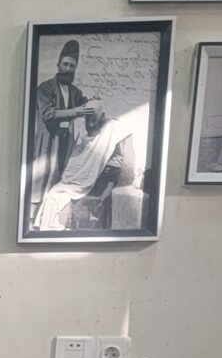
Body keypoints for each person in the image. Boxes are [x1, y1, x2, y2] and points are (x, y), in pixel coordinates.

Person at [34, 105, 141, 232]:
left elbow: (114, 166)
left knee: (61, 195)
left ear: (102, 117)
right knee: (54, 194)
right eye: (87, 120)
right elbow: (78, 157)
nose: (89, 124)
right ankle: (54, 227)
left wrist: (105, 184)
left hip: (99, 178)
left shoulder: (112, 131)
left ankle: (59, 226)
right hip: (77, 178)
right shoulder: (85, 132)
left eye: (93, 120)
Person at [29, 40, 99, 221]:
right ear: (58, 65)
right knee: (41, 179)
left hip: (64, 142)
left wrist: (92, 102)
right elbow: (48, 114)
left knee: (58, 178)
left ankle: (46, 219)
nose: (68, 69)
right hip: (48, 142)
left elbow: (83, 103)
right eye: (65, 64)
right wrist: (77, 111)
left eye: (72, 66)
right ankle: (30, 219)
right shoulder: (45, 88)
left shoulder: (74, 91)